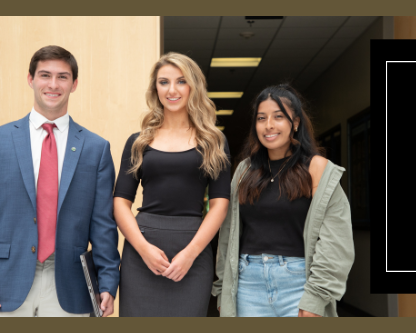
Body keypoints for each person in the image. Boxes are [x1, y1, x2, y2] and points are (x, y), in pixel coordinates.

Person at [0, 45, 120, 317]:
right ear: (30, 79)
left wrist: (108, 280)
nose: (53, 84)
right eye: (45, 75)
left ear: (74, 84)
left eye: (62, 76)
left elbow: (103, 224)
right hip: (4, 283)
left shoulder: (96, 148)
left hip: (70, 284)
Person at [213, 84, 354, 317]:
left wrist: (316, 297)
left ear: (295, 122)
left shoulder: (318, 169)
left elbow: (336, 242)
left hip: (299, 286)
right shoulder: (244, 171)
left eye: (278, 117)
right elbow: (227, 235)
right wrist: (222, 290)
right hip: (247, 286)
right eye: (261, 118)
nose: (269, 125)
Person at [113, 52, 231, 317]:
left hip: (194, 250)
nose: (172, 90)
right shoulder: (138, 141)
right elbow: (120, 202)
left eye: (181, 81)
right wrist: (143, 249)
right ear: (155, 88)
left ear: (193, 86)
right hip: (142, 250)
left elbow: (220, 205)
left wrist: (190, 254)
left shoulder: (214, 141)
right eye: (164, 82)